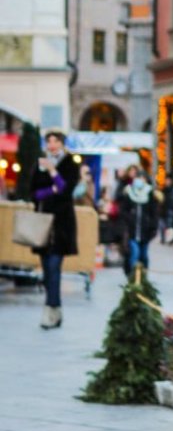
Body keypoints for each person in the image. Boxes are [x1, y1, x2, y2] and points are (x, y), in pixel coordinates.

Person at [30, 129, 80, 329]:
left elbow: (66, 191)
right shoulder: (38, 164)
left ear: (62, 144)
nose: (52, 145)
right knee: (46, 271)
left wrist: (52, 171)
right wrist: (52, 189)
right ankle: (56, 310)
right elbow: (33, 192)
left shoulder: (70, 164)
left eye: (55, 141)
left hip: (61, 224)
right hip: (43, 224)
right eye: (49, 141)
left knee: (53, 267)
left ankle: (49, 310)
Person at [122, 168, 161, 277]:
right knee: (134, 253)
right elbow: (123, 210)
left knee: (143, 255)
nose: (140, 180)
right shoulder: (129, 192)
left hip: (145, 231)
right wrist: (129, 219)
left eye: (142, 178)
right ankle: (133, 277)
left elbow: (154, 213)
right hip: (132, 231)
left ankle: (143, 276)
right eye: (138, 178)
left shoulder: (150, 194)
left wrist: (153, 226)